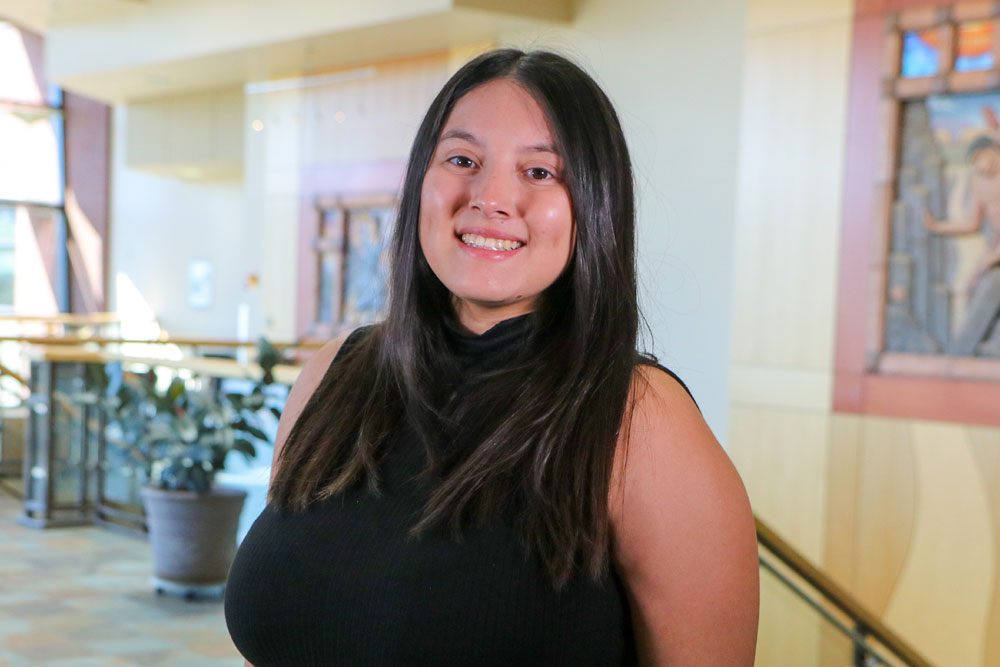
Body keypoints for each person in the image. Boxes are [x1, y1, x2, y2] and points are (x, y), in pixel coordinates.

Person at [224, 48, 759, 666]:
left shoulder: (640, 420)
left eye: (540, 173)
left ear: (594, 205)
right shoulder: (335, 374)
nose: (491, 196)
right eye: (462, 160)